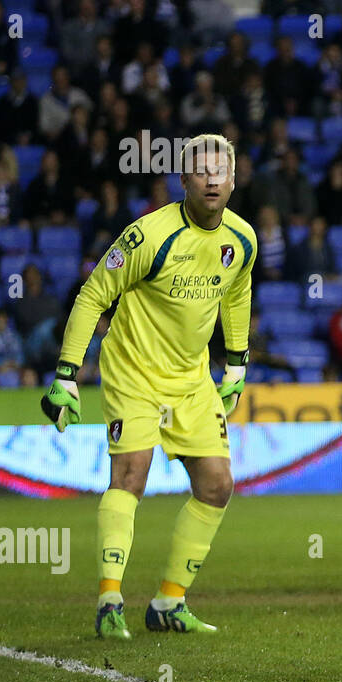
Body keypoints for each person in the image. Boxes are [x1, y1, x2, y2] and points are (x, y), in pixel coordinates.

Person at [40, 134, 257, 638]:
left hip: (190, 379)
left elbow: (237, 295)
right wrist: (67, 375)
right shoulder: (148, 236)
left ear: (232, 180)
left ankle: (167, 604)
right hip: (133, 371)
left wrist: (238, 365)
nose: (211, 180)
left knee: (217, 484)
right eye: (200, 172)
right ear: (183, 181)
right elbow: (94, 294)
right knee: (132, 474)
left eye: (219, 172)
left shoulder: (242, 240)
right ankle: (109, 600)